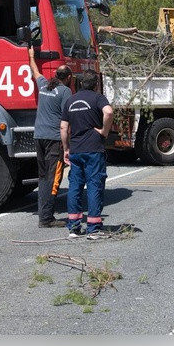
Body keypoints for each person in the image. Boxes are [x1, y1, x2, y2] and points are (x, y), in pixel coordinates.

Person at [60, 69, 114, 239]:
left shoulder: (70, 101)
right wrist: (104, 132)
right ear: (96, 84)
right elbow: (109, 112)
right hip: (93, 149)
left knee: (75, 187)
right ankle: (93, 228)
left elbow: (63, 127)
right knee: (94, 185)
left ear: (81, 83)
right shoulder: (97, 98)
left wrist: (66, 149)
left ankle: (74, 228)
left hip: (76, 150)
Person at [28, 45, 72, 228]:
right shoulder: (65, 92)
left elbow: (35, 71)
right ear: (68, 78)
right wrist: (67, 146)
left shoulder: (44, 84)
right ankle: (46, 219)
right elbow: (65, 122)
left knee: (43, 176)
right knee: (53, 178)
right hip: (54, 139)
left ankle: (44, 215)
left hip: (39, 136)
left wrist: (31, 56)